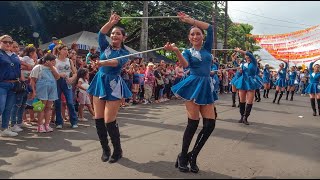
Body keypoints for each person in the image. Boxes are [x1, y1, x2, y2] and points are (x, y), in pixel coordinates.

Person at [164, 12, 217, 173]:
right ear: (189, 38)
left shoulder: (207, 48)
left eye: (198, 33)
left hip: (207, 87)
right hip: (193, 85)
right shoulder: (187, 51)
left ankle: (192, 156)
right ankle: (183, 157)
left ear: (202, 36)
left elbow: (211, 28)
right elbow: (185, 64)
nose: (195, 36)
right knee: (193, 123)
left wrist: (190, 21)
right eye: (192, 34)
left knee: (209, 125)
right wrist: (176, 51)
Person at [87, 13, 132, 163]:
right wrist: (110, 22)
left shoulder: (124, 53)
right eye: (113, 33)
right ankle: (105, 150)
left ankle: (117, 150)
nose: (114, 35)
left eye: (118, 33)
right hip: (99, 82)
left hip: (113, 85)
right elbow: (101, 33)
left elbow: (115, 63)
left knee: (109, 121)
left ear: (123, 37)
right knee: (98, 119)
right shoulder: (104, 47)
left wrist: (101, 63)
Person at [30, 53, 60, 132]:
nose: (54, 62)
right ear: (47, 61)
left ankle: (47, 124)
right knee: (41, 107)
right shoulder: (38, 67)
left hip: (52, 90)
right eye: (53, 61)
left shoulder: (53, 68)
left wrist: (51, 67)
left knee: (49, 107)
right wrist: (33, 91)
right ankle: (40, 125)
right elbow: (32, 80)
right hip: (42, 90)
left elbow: (57, 77)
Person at [0, 35, 23, 137]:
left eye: (10, 42)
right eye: (5, 42)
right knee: (1, 107)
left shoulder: (14, 55)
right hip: (2, 84)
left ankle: (4, 128)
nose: (8, 44)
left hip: (13, 84)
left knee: (8, 108)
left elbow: (19, 69)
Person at [233, 48, 262, 125]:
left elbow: (249, 54)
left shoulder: (254, 62)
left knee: (250, 101)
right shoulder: (242, 64)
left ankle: (246, 117)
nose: (247, 56)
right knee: (242, 101)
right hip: (242, 81)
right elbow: (239, 73)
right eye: (246, 55)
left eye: (248, 54)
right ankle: (242, 116)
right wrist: (239, 71)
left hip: (251, 81)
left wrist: (239, 50)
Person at [54, 44, 78, 129]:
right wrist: (59, 74)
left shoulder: (69, 60)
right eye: (64, 49)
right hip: (57, 82)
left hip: (67, 82)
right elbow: (52, 72)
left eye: (67, 49)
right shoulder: (55, 60)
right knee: (57, 102)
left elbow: (75, 72)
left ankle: (74, 121)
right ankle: (59, 122)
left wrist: (72, 78)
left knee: (70, 102)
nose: (66, 51)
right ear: (59, 50)